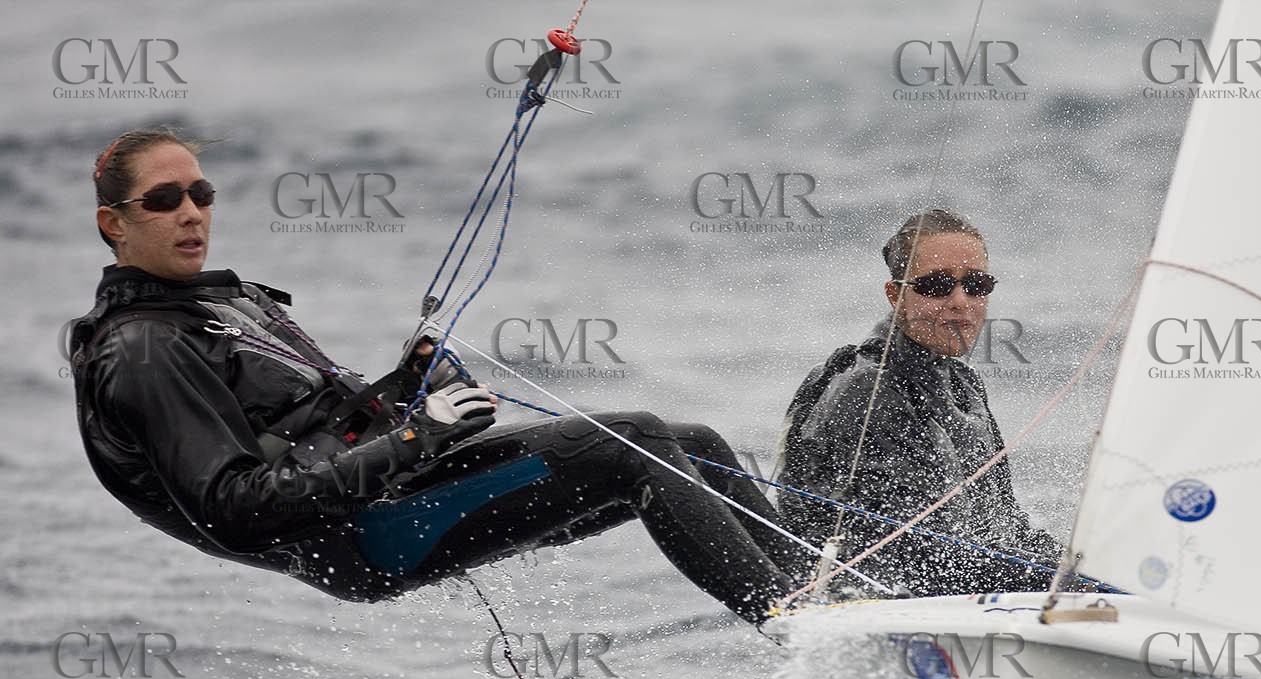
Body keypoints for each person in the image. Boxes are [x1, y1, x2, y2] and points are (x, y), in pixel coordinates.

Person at [70, 127, 809, 624]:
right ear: (114, 224)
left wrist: (405, 388)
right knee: (632, 444)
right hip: (363, 536)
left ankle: (823, 597)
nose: (191, 213)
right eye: (164, 201)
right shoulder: (143, 350)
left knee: (695, 442)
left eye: (201, 194)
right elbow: (235, 505)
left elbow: (314, 428)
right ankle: (795, 626)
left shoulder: (217, 305)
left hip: (396, 488)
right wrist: (419, 436)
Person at [774, 209, 1066, 596]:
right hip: (874, 607)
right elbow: (919, 558)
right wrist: (1061, 581)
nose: (961, 301)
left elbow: (1005, 526)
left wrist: (1080, 566)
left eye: (977, 284)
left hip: (952, 592)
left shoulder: (962, 384)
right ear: (896, 295)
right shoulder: (867, 393)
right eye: (937, 285)